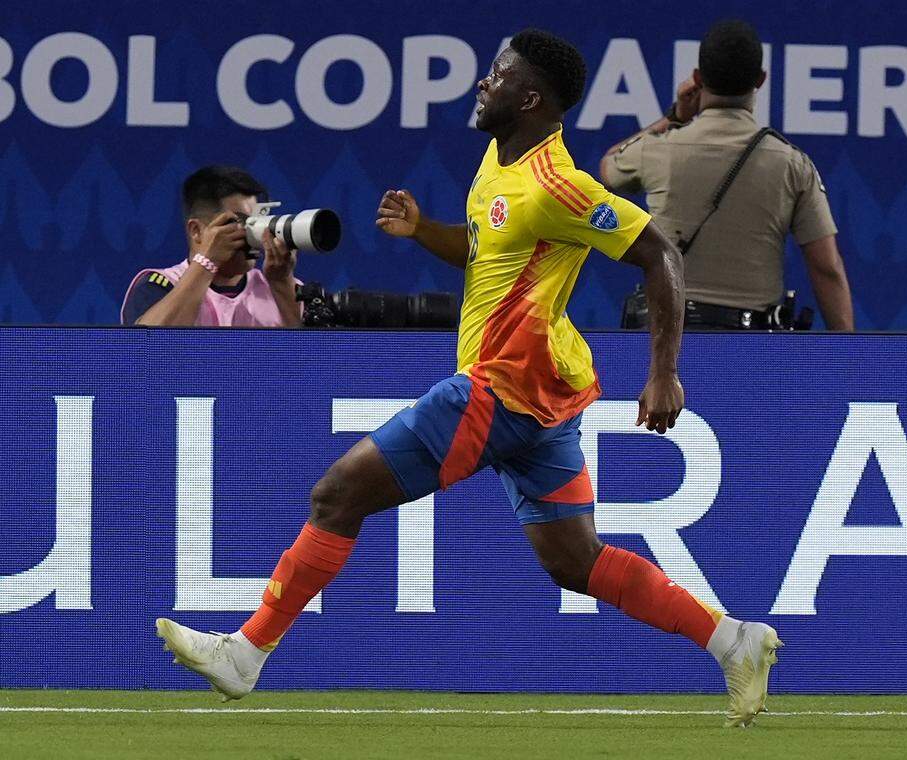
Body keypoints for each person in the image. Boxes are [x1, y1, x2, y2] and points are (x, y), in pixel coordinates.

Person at [155, 29, 782, 728]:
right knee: (575, 561)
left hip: (500, 389)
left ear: (531, 97)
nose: (484, 84)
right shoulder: (497, 160)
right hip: (541, 402)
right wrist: (426, 231)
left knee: (336, 495)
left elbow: (661, 254)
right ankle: (734, 641)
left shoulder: (560, 187)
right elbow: (488, 251)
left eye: (498, 76)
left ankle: (247, 650)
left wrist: (664, 373)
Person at [600, 20, 854, 331]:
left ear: (696, 78)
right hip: (752, 348)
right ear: (760, 80)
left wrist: (674, 118)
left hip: (666, 342)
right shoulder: (794, 164)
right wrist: (848, 358)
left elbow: (610, 166)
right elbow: (826, 268)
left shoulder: (660, 151)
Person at [120, 165, 301, 327]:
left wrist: (281, 283)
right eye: (239, 221)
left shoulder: (282, 288)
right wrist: (207, 262)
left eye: (256, 221)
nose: (250, 234)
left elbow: (317, 356)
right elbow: (146, 348)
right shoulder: (160, 285)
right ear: (196, 230)